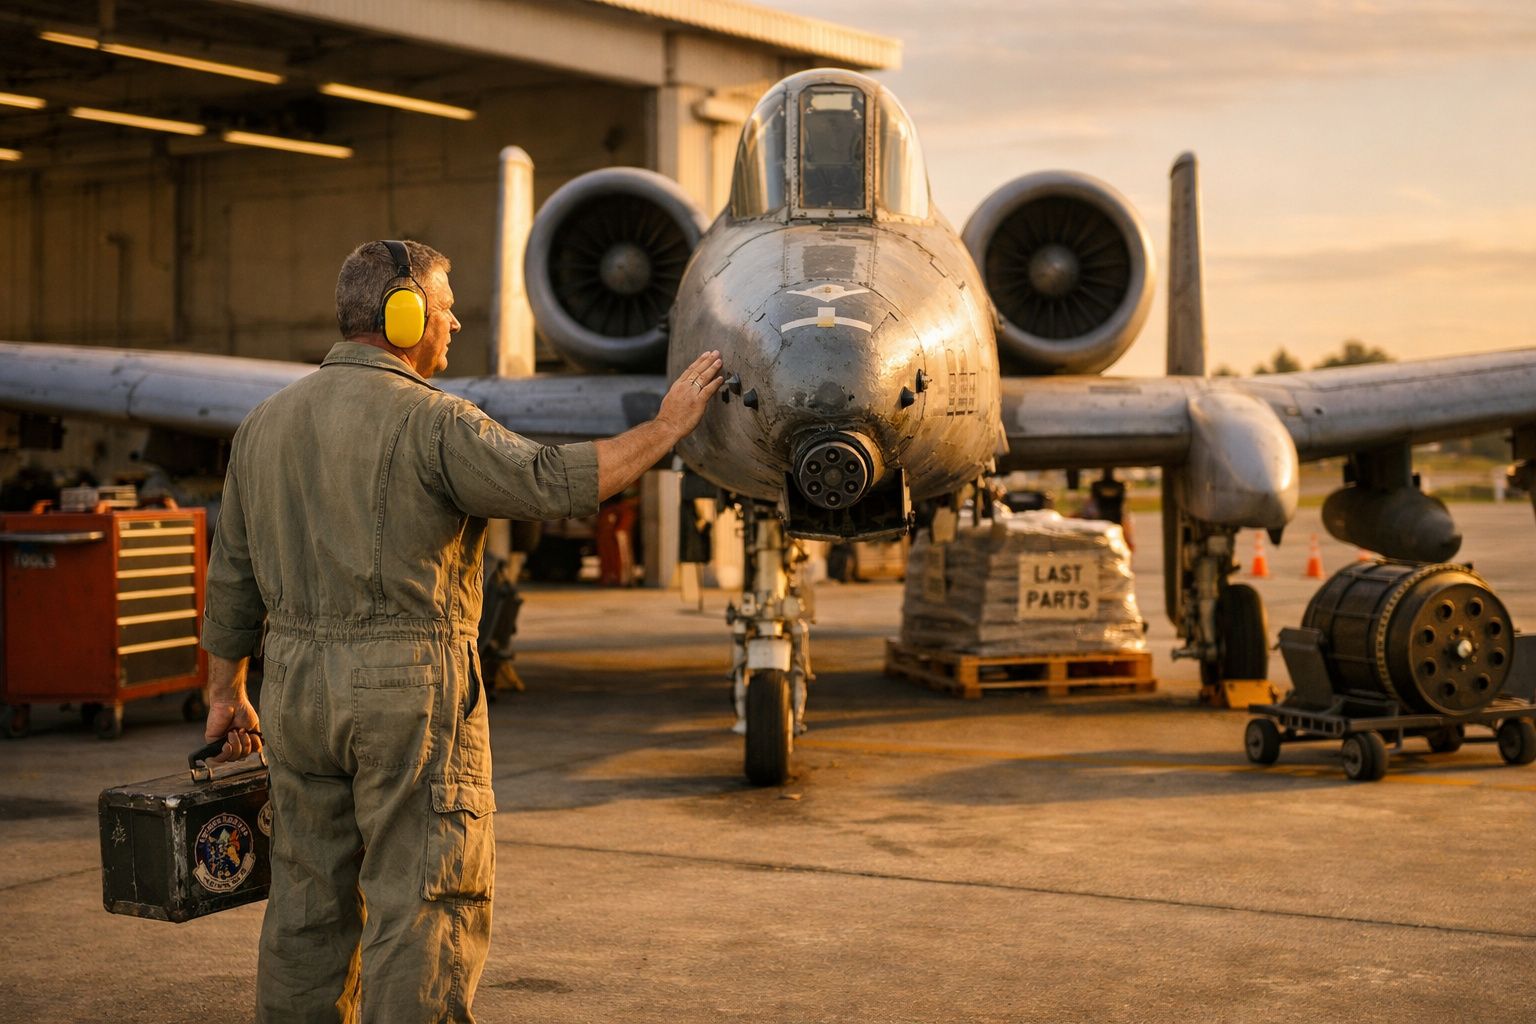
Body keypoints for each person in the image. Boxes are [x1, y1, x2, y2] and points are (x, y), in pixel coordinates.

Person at [199, 239, 723, 1022]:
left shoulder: (263, 425)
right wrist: (668, 426)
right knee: (426, 902)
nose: (452, 328)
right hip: (408, 696)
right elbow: (559, 482)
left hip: (296, 696)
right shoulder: (436, 424)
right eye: (444, 311)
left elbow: (232, 577)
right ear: (402, 314)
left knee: (306, 909)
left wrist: (226, 692)